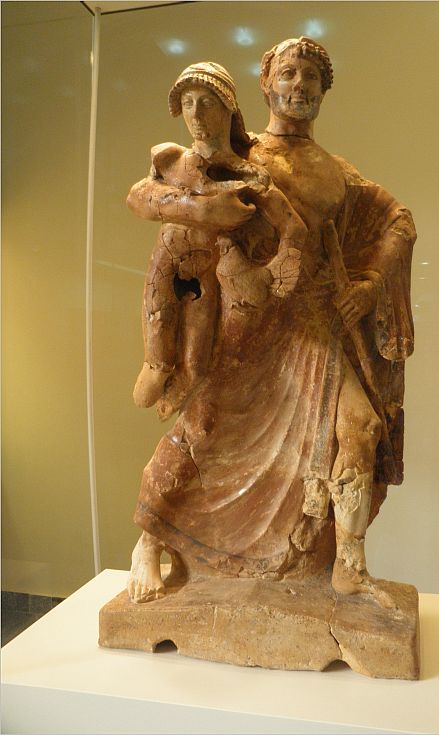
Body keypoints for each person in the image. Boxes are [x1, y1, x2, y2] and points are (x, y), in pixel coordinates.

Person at [126, 38, 416, 606]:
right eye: (288, 72)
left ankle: (349, 567)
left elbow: (398, 221)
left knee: (360, 428)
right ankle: (148, 540)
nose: (299, 84)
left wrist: (369, 286)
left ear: (324, 91)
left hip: (312, 327)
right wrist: (201, 208)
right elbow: (144, 193)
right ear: (264, 84)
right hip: (244, 325)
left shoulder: (338, 174)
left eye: (311, 76)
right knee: (205, 431)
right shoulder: (237, 151)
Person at [130, 62, 305, 418]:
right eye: (188, 103)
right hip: (168, 260)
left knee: (197, 360)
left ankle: (182, 395)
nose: (195, 114)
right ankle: (157, 364)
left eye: (207, 102)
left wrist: (278, 268)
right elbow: (137, 198)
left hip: (209, 272)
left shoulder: (248, 175)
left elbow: (293, 226)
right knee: (159, 325)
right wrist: (203, 210)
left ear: (229, 109)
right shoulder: (170, 159)